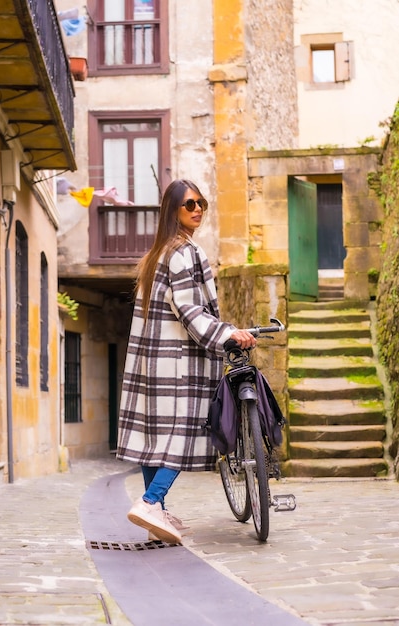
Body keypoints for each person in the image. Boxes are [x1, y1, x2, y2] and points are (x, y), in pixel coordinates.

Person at [116, 179, 256, 544]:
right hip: (179, 364)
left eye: (201, 204)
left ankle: (155, 519)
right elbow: (189, 308)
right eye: (189, 204)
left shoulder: (157, 254)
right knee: (182, 432)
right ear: (172, 210)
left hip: (154, 361)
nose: (197, 210)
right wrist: (227, 333)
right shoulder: (183, 252)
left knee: (155, 437)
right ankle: (150, 501)